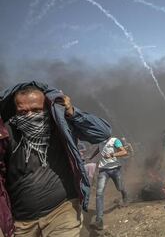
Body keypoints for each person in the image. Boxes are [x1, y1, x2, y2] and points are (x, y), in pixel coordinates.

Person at [0, 81, 111, 237]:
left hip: (62, 211)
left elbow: (102, 133)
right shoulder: (7, 134)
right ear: (15, 111)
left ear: (46, 108)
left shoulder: (59, 126)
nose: (30, 116)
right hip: (22, 223)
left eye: (36, 110)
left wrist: (72, 112)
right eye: (23, 112)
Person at [89, 136, 128, 230]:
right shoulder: (100, 141)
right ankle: (99, 220)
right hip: (103, 170)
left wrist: (112, 155)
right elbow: (98, 149)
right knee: (99, 193)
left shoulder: (115, 140)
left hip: (115, 169)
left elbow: (124, 152)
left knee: (120, 187)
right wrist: (91, 157)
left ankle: (125, 195)